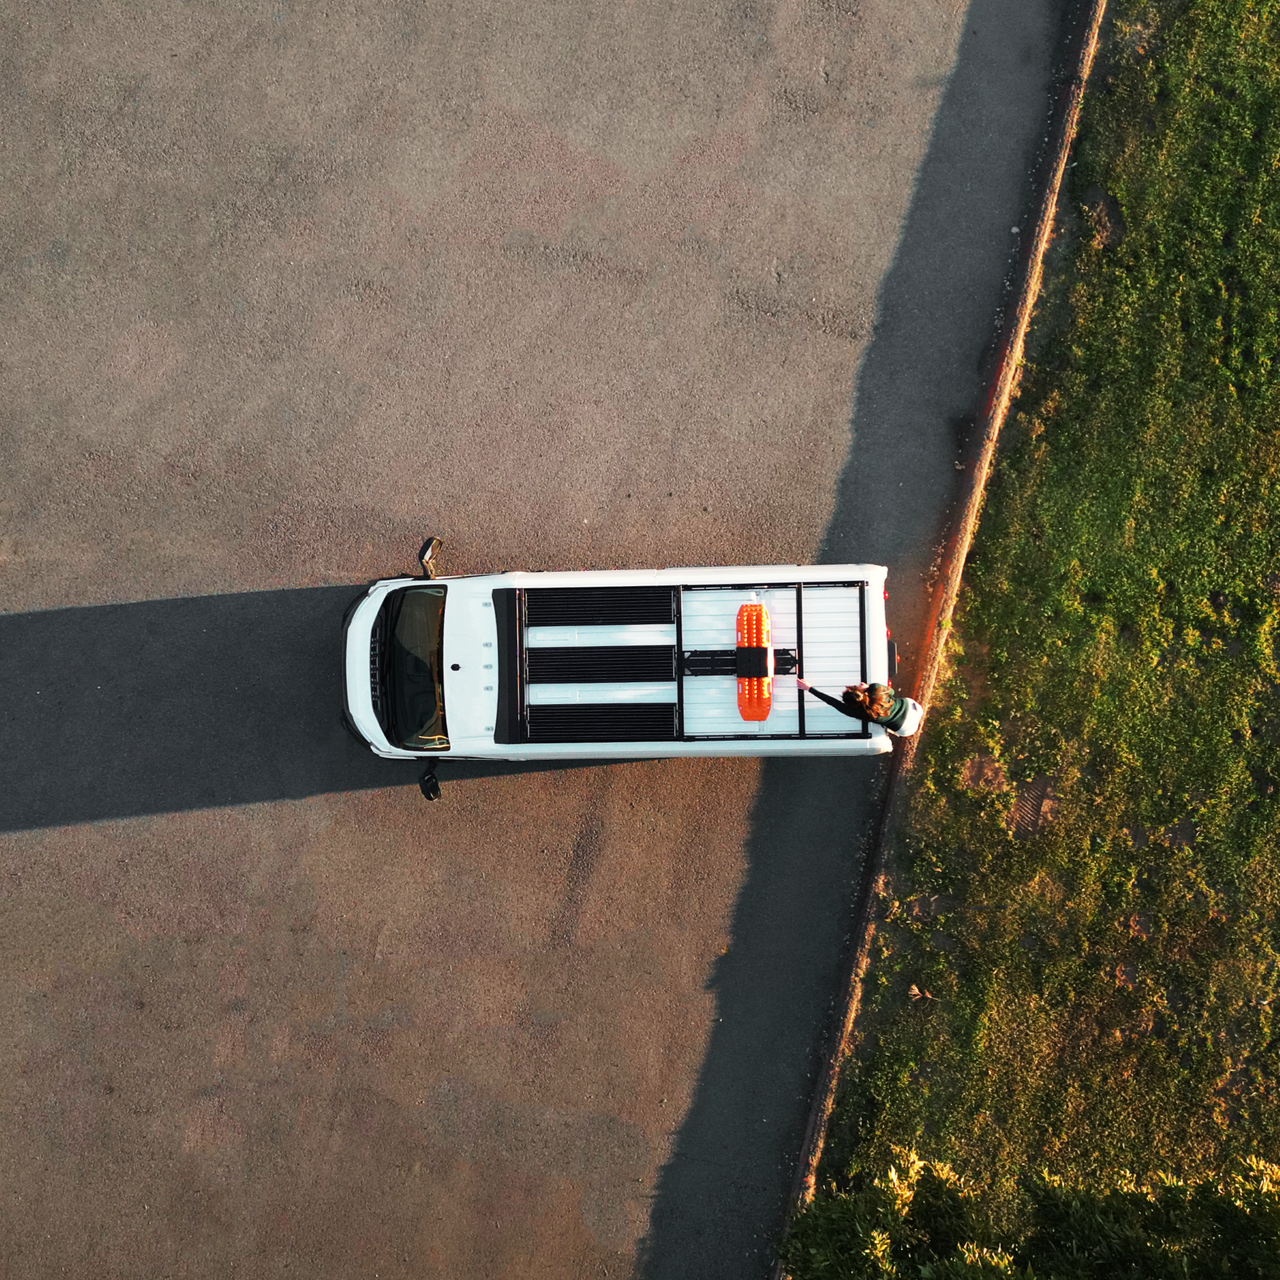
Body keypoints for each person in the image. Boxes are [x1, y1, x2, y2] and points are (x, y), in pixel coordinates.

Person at [796, 678, 923, 737]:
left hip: (907, 725)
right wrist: (868, 687)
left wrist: (809, 688)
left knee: (885, 719)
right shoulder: (876, 689)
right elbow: (892, 692)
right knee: (891, 706)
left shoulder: (857, 712)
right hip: (911, 710)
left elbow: (831, 701)